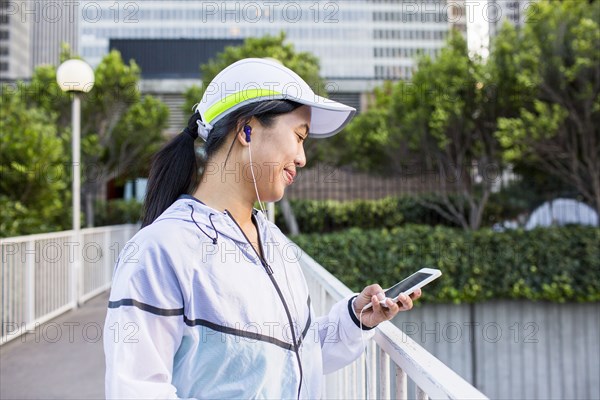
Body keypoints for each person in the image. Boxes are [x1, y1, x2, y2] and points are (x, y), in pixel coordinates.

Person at [103, 58, 421, 399]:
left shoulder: (274, 242)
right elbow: (136, 389)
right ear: (247, 130)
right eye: (299, 137)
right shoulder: (161, 250)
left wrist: (356, 319)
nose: (302, 158)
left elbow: (294, 356)